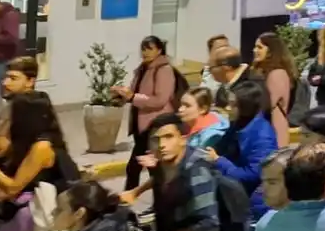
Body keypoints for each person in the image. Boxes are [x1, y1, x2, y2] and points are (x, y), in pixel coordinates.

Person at [138, 113, 221, 231]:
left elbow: (207, 223)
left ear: (183, 139)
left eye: (168, 137)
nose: (161, 145)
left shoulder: (197, 170)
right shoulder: (161, 169)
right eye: (155, 139)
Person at [0, 91, 74, 231]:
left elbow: (13, 187)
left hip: (43, 215)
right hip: (22, 207)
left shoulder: (42, 147)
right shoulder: (27, 141)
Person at [193, 80, 277, 221]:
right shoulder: (237, 125)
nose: (227, 107)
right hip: (230, 196)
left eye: (233, 104)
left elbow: (254, 174)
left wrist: (219, 161)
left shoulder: (262, 135)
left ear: (246, 107)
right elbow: (220, 148)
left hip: (251, 204)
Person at [112, 36, 179, 190]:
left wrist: (133, 97)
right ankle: (139, 201)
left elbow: (160, 100)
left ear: (159, 50)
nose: (145, 52)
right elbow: (133, 93)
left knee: (140, 168)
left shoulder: (164, 70)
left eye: (150, 49)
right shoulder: (142, 68)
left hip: (154, 125)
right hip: (140, 125)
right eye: (143, 49)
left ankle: (132, 201)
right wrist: (121, 96)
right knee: (146, 168)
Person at [251, 32, 297, 146]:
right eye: (255, 47)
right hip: (262, 129)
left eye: (259, 47)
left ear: (271, 50)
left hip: (272, 131)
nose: (254, 50)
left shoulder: (277, 74)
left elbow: (266, 104)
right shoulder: (260, 72)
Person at [178, 87, 229, 151]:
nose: (180, 109)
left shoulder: (208, 139)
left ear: (203, 109)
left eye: (187, 106)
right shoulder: (196, 125)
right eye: (181, 105)